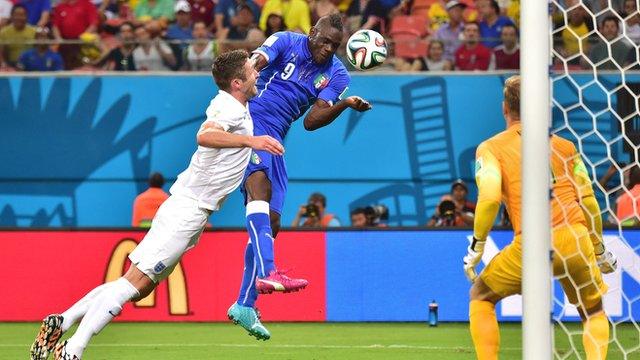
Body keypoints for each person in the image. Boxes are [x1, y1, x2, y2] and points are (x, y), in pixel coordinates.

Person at [29, 49, 285, 359]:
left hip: (190, 209)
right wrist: (252, 141)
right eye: (251, 70)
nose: (257, 73)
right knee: (133, 285)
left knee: (139, 286)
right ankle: (73, 349)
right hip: (187, 210)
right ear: (236, 82)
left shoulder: (237, 105)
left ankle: (64, 320)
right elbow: (204, 136)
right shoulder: (227, 107)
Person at [230, 13, 372, 338]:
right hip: (251, 124)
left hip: (276, 139)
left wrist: (345, 104)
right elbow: (256, 60)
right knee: (260, 195)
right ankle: (269, 271)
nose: (328, 49)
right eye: (324, 41)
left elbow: (311, 121)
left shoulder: (336, 73)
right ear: (312, 32)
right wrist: (241, 83)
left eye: (335, 46)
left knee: (274, 222)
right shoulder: (286, 41)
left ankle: (244, 304)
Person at [463, 75, 617, 360]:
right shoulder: (566, 147)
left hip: (532, 245)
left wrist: (478, 245)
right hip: (576, 237)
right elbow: (589, 203)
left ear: (504, 108)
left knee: (481, 296)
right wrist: (599, 249)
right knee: (592, 310)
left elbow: (489, 198)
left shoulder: (491, 148)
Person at [0, 5, 36, 69]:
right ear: (11, 16)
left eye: (22, 15)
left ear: (27, 16)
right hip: (10, 66)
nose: (19, 18)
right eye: (16, 15)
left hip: (30, 65)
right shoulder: (3, 33)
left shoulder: (34, 32)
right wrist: (4, 65)